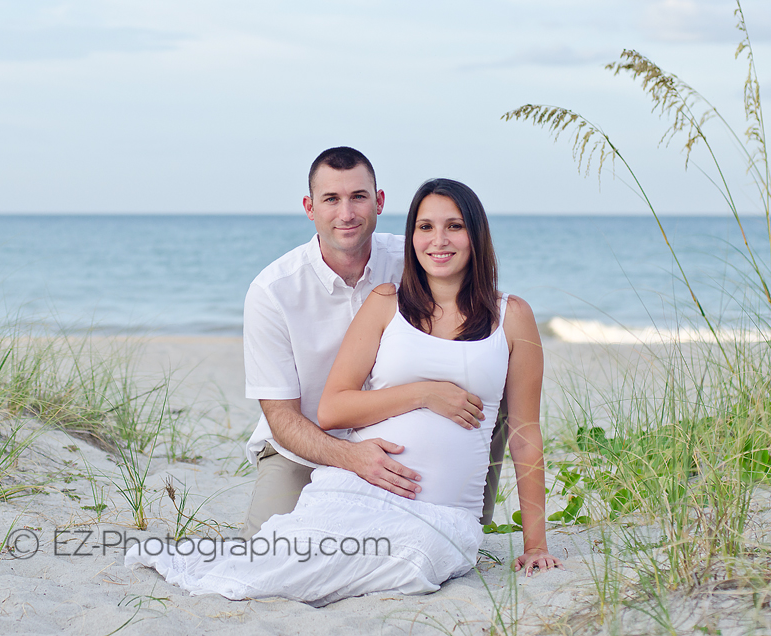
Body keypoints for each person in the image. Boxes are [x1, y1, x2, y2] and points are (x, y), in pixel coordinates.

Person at [125, 178, 563, 605]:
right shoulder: (386, 302)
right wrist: (425, 392)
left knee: (412, 561)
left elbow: (525, 434)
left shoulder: (512, 316)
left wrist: (536, 544)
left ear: (476, 234)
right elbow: (333, 408)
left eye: (454, 226)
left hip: (446, 511)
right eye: (425, 227)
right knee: (282, 558)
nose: (439, 240)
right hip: (359, 484)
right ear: (411, 237)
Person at [239, 147, 485, 540]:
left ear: (380, 201)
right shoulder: (273, 292)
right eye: (331, 199)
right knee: (266, 552)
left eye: (358, 197)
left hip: (396, 443)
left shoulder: (415, 262)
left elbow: (479, 332)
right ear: (309, 207)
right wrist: (350, 458)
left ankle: (475, 517)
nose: (347, 213)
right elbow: (281, 418)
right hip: (303, 448)